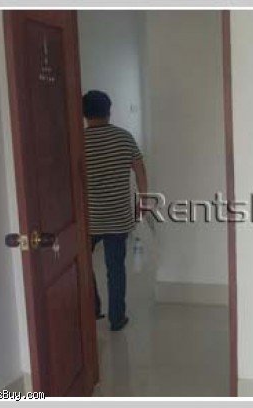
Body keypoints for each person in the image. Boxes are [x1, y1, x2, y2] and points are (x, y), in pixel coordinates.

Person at [82, 90, 148, 331]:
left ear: (83, 113)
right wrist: (143, 200)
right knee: (116, 268)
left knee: (82, 265)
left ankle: (92, 308)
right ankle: (117, 318)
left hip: (87, 218)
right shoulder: (124, 137)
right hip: (118, 217)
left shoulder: (78, 141)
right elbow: (140, 170)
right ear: (109, 111)